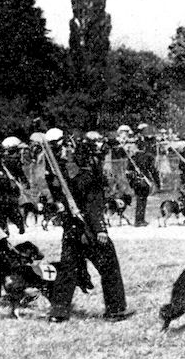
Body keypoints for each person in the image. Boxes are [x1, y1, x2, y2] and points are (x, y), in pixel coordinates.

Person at [47, 137, 131, 323]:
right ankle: (115, 310)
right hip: (90, 231)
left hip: (71, 232)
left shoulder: (71, 181)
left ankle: (58, 311)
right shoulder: (91, 180)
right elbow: (93, 206)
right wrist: (101, 229)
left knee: (67, 271)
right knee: (109, 268)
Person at [126, 137, 161, 227]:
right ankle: (140, 220)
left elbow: (128, 172)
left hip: (136, 181)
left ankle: (139, 219)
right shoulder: (148, 157)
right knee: (143, 200)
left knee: (139, 199)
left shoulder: (133, 158)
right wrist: (157, 183)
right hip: (145, 181)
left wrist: (131, 183)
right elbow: (153, 171)